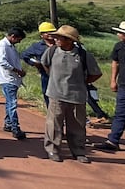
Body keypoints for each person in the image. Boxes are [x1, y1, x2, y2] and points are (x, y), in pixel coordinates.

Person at [42, 25, 101, 163]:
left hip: (77, 96)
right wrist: (53, 77)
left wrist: (82, 82)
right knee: (54, 124)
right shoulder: (52, 51)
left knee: (77, 125)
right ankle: (52, 150)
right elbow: (44, 64)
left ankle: (78, 151)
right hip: (56, 94)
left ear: (69, 40)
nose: (55, 39)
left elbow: (96, 73)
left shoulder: (83, 55)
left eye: (59, 38)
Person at [96, 21, 125, 152]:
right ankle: (113, 141)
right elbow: (115, 63)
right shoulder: (119, 47)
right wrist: (113, 80)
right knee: (120, 115)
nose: (118, 34)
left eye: (120, 32)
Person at [0, 27, 27, 139]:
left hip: (12, 78)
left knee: (9, 102)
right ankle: (15, 127)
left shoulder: (10, 46)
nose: (19, 42)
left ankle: (9, 123)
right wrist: (17, 70)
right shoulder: (3, 45)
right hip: (7, 78)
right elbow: (2, 62)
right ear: (13, 36)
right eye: (18, 39)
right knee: (12, 103)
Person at [21, 22, 57, 107]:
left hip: (62, 75)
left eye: (52, 32)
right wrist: (35, 63)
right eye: (47, 32)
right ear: (41, 35)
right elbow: (24, 55)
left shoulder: (61, 43)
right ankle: (51, 115)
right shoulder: (37, 46)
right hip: (46, 75)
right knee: (47, 94)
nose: (50, 34)